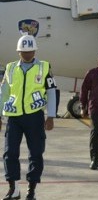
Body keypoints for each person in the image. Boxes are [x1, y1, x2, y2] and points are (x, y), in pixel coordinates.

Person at [0, 34, 57, 200]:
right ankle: (14, 189)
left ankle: (31, 190)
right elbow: (4, 93)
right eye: (24, 52)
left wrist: (51, 115)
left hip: (34, 116)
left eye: (30, 51)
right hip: (14, 116)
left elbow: (51, 92)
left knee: (36, 153)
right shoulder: (10, 68)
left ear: (35, 51)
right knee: (10, 153)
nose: (27, 54)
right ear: (18, 52)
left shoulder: (44, 67)